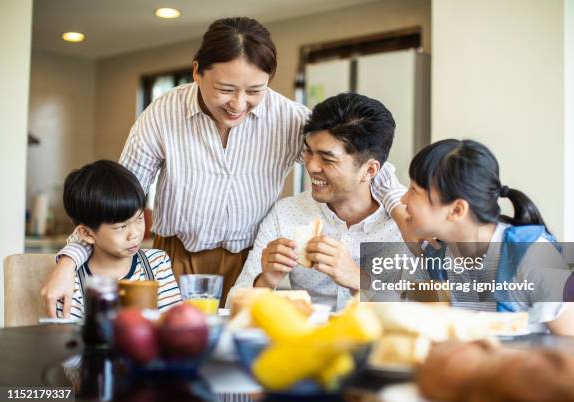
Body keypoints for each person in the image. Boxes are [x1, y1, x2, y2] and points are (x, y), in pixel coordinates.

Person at [42, 17, 406, 315]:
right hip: (174, 261)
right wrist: (69, 260)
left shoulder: (289, 120)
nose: (239, 104)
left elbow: (361, 161)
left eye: (255, 90)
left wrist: (405, 215)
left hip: (252, 258)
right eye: (226, 89)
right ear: (198, 71)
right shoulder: (163, 115)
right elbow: (112, 201)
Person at [227, 93, 403, 310]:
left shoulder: (406, 223)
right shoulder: (287, 214)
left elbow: (434, 311)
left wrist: (359, 280)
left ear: (369, 170)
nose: (311, 166)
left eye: (328, 159)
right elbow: (231, 305)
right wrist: (265, 281)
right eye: (309, 152)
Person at [397, 139, 574, 335]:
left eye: (414, 191)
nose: (403, 199)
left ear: (456, 210)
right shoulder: (432, 254)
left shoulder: (535, 256)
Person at [56, 160, 182, 320]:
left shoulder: (157, 265)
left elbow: (175, 325)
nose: (135, 234)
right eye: (121, 227)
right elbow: (67, 340)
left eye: (139, 218)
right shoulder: (71, 281)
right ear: (87, 233)